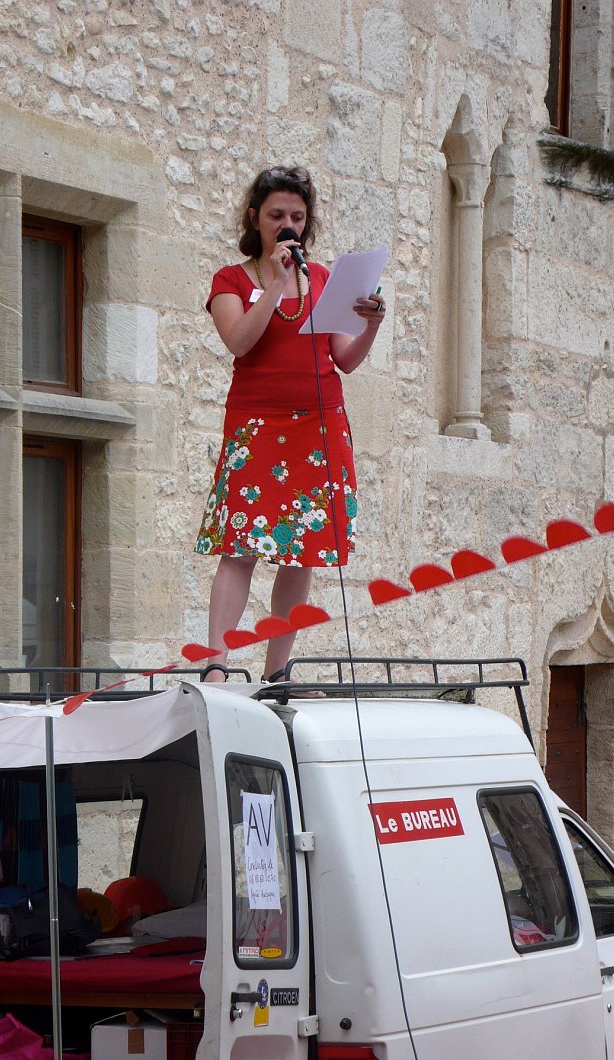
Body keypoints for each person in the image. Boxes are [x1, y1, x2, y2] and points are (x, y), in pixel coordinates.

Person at [195, 164, 387, 684]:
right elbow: (239, 340)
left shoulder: (323, 280)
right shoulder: (232, 280)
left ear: (308, 223)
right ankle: (217, 665)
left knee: (298, 554)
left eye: (297, 217)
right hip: (257, 426)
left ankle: (278, 671)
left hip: (317, 428)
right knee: (240, 549)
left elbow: (344, 359)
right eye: (277, 214)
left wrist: (369, 324)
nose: (288, 224)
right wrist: (277, 285)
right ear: (255, 218)